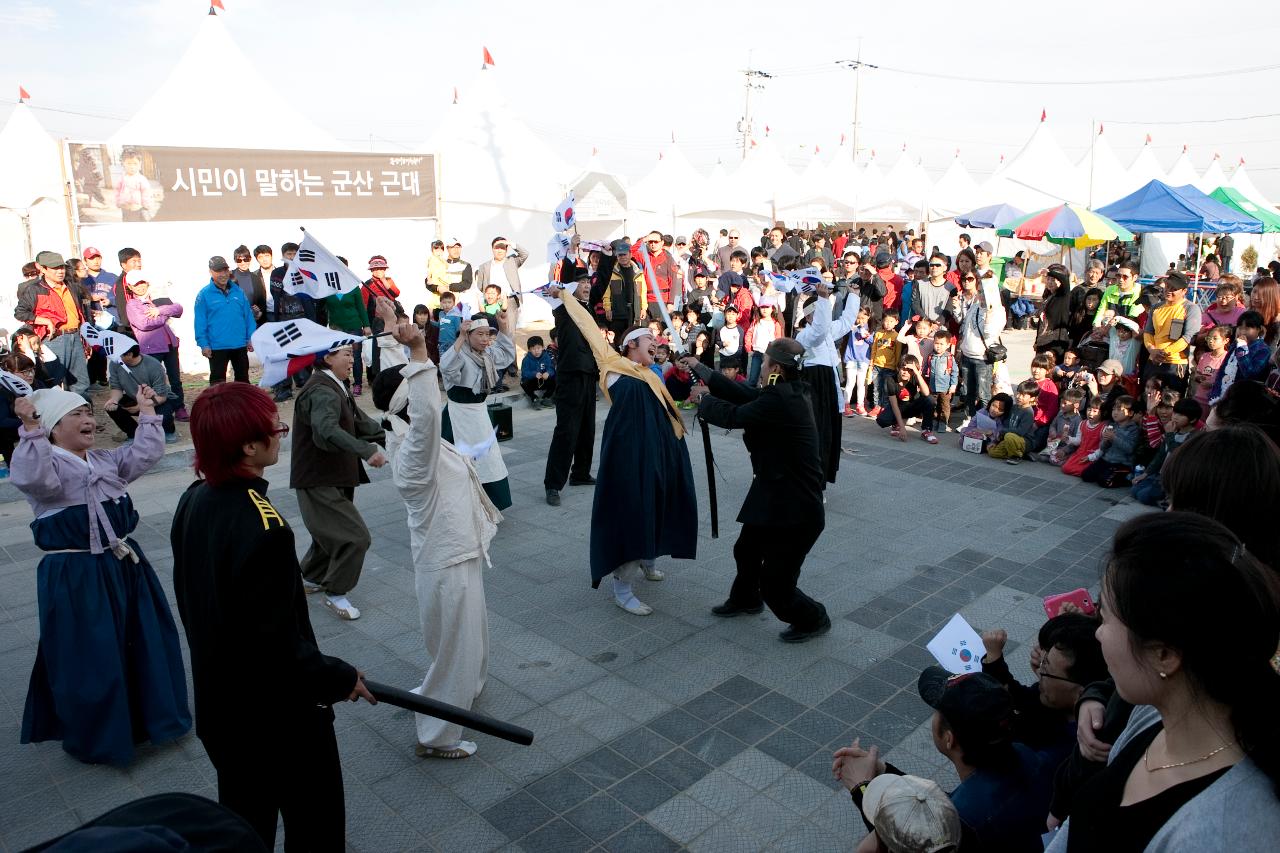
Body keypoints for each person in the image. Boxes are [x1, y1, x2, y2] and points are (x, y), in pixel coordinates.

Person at [171, 381, 374, 851]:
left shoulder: (194, 499)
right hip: (278, 720)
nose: (281, 435)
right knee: (315, 826)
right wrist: (338, 676)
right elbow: (276, 643)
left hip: (222, 709)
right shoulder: (264, 527)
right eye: (276, 429)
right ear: (248, 446)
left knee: (245, 825)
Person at [1047, 513, 1280, 853]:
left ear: (1164, 656)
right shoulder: (1153, 715)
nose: (1097, 632)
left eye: (1106, 617)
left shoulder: (1220, 834)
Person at [11, 386, 191, 766]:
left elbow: (144, 454)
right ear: (53, 429)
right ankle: (101, 735)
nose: (88, 419)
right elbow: (32, 480)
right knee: (91, 654)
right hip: (77, 575)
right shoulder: (46, 464)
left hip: (124, 565)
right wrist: (28, 428)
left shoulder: (103, 459)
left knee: (141, 640)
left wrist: (145, 412)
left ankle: (148, 721)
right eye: (75, 415)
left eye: (88, 411)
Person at [368, 300, 500, 760]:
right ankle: (437, 735)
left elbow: (399, 388)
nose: (437, 391)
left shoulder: (405, 436)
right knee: (454, 647)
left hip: (458, 553)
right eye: (428, 384)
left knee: (470, 638)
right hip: (445, 561)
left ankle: (467, 689)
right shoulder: (412, 454)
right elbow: (424, 410)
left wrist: (391, 331)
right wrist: (421, 350)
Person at [548, 283, 696, 616]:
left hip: (659, 453)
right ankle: (623, 588)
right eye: (649, 340)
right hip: (630, 457)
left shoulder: (651, 373)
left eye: (656, 340)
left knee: (658, 504)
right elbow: (587, 326)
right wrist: (566, 297)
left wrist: (685, 376)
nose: (655, 343)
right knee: (632, 511)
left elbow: (671, 405)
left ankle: (648, 558)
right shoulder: (613, 365)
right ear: (630, 346)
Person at [684, 338, 832, 643]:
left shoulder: (782, 400)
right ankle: (746, 599)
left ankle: (813, 618)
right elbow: (746, 394)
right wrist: (702, 370)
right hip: (773, 493)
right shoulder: (788, 390)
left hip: (797, 508)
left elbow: (735, 415)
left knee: (776, 583)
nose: (761, 367)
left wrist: (704, 400)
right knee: (746, 549)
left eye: (764, 362)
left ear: (776, 367)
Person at [291, 341, 387, 621]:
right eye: (347, 354)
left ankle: (309, 577)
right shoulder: (321, 390)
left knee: (330, 531)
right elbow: (327, 430)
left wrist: (388, 435)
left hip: (334, 474)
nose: (352, 360)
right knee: (355, 537)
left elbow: (356, 421)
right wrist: (367, 450)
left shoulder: (336, 383)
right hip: (317, 477)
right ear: (327, 357)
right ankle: (336, 593)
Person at [440, 310, 516, 510]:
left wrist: (504, 327)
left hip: (479, 413)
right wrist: (461, 337)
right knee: (459, 461)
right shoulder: (459, 353)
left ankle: (490, 502)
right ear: (469, 335)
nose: (484, 339)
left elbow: (507, 354)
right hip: (458, 416)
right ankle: (462, 503)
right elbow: (446, 368)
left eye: (487, 334)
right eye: (479, 334)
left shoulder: (488, 354)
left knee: (487, 459)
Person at [544, 271, 600, 506]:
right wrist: (572, 248)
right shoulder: (564, 309)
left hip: (589, 375)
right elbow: (564, 274)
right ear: (571, 286)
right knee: (567, 430)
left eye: (589, 282)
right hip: (570, 377)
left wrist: (606, 259)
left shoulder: (586, 309)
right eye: (582, 282)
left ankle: (580, 473)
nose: (587, 286)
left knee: (587, 428)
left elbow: (603, 280)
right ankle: (553, 484)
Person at [15, 250, 91, 397]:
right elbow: (20, 313)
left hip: (75, 336)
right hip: (53, 339)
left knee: (81, 383)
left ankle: (83, 416)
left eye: (62, 267)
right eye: (55, 268)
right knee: (52, 382)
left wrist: (85, 338)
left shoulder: (72, 285)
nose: (60, 271)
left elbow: (81, 312)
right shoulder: (34, 289)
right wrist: (44, 320)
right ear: (42, 269)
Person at [124, 276, 187, 420]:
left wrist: (159, 310)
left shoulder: (156, 299)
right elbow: (144, 323)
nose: (140, 287)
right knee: (153, 380)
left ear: (147, 283)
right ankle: (156, 408)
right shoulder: (132, 304)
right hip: (150, 347)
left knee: (175, 379)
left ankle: (179, 407)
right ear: (130, 287)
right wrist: (165, 315)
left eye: (142, 283)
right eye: (136, 284)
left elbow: (178, 308)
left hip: (169, 344)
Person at [194, 256, 256, 385]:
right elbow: (200, 321)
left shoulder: (238, 291)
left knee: (243, 380)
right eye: (218, 271)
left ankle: (242, 404)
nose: (222, 274)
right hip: (217, 346)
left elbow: (248, 316)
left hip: (239, 344)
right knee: (218, 383)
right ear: (211, 271)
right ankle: (218, 405)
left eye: (225, 270)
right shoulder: (204, 295)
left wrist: (251, 337)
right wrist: (203, 344)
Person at [106, 343, 179, 443]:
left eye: (118, 353)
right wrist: (114, 400)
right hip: (134, 397)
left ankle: (168, 431)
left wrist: (141, 406)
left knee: (164, 414)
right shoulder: (115, 363)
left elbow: (162, 396)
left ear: (129, 354)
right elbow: (116, 387)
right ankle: (134, 433)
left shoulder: (153, 365)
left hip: (157, 399)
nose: (114, 356)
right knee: (112, 407)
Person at [1142, 271, 1200, 392]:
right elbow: (1148, 332)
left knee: (1172, 402)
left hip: (1175, 362)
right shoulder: (1156, 307)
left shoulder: (1190, 308)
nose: (1168, 290)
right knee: (1149, 399)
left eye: (1174, 288)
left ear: (1184, 291)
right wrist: (1152, 350)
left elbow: (1187, 337)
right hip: (1153, 360)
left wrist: (1164, 353)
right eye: (1167, 286)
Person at [323, 278, 371, 396]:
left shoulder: (353, 287)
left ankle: (358, 384)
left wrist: (366, 325)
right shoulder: (327, 289)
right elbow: (322, 309)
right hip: (336, 328)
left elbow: (361, 307)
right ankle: (344, 383)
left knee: (355, 355)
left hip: (353, 326)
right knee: (338, 356)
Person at [474, 237, 527, 331]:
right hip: (491, 303)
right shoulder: (484, 266)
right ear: (492, 249)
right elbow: (480, 286)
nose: (499, 250)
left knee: (509, 333)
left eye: (502, 248)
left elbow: (525, 254)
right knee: (492, 332)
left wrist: (509, 243)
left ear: (506, 249)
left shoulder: (512, 261)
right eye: (496, 247)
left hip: (510, 301)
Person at [362, 255, 401, 381]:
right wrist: (366, 324)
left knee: (393, 344)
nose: (379, 271)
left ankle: (393, 371)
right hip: (377, 321)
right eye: (376, 269)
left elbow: (396, 293)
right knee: (376, 348)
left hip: (392, 318)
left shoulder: (389, 281)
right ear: (371, 270)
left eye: (382, 268)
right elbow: (364, 304)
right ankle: (374, 376)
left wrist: (385, 282)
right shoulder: (367, 285)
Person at [229, 245, 266, 325]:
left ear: (250, 259)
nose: (243, 263)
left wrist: (260, 312)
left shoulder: (255, 278)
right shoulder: (229, 277)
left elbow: (262, 301)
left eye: (246, 259)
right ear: (235, 261)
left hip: (251, 321)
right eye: (239, 260)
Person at [519, 334, 556, 409]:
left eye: (538, 348)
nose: (536, 351)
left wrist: (548, 373)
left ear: (542, 347)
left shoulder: (546, 357)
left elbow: (551, 368)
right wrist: (534, 374)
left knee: (556, 380)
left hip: (544, 380)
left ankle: (546, 398)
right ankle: (534, 398)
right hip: (533, 382)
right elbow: (524, 373)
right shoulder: (526, 360)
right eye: (533, 349)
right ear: (529, 350)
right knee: (523, 383)